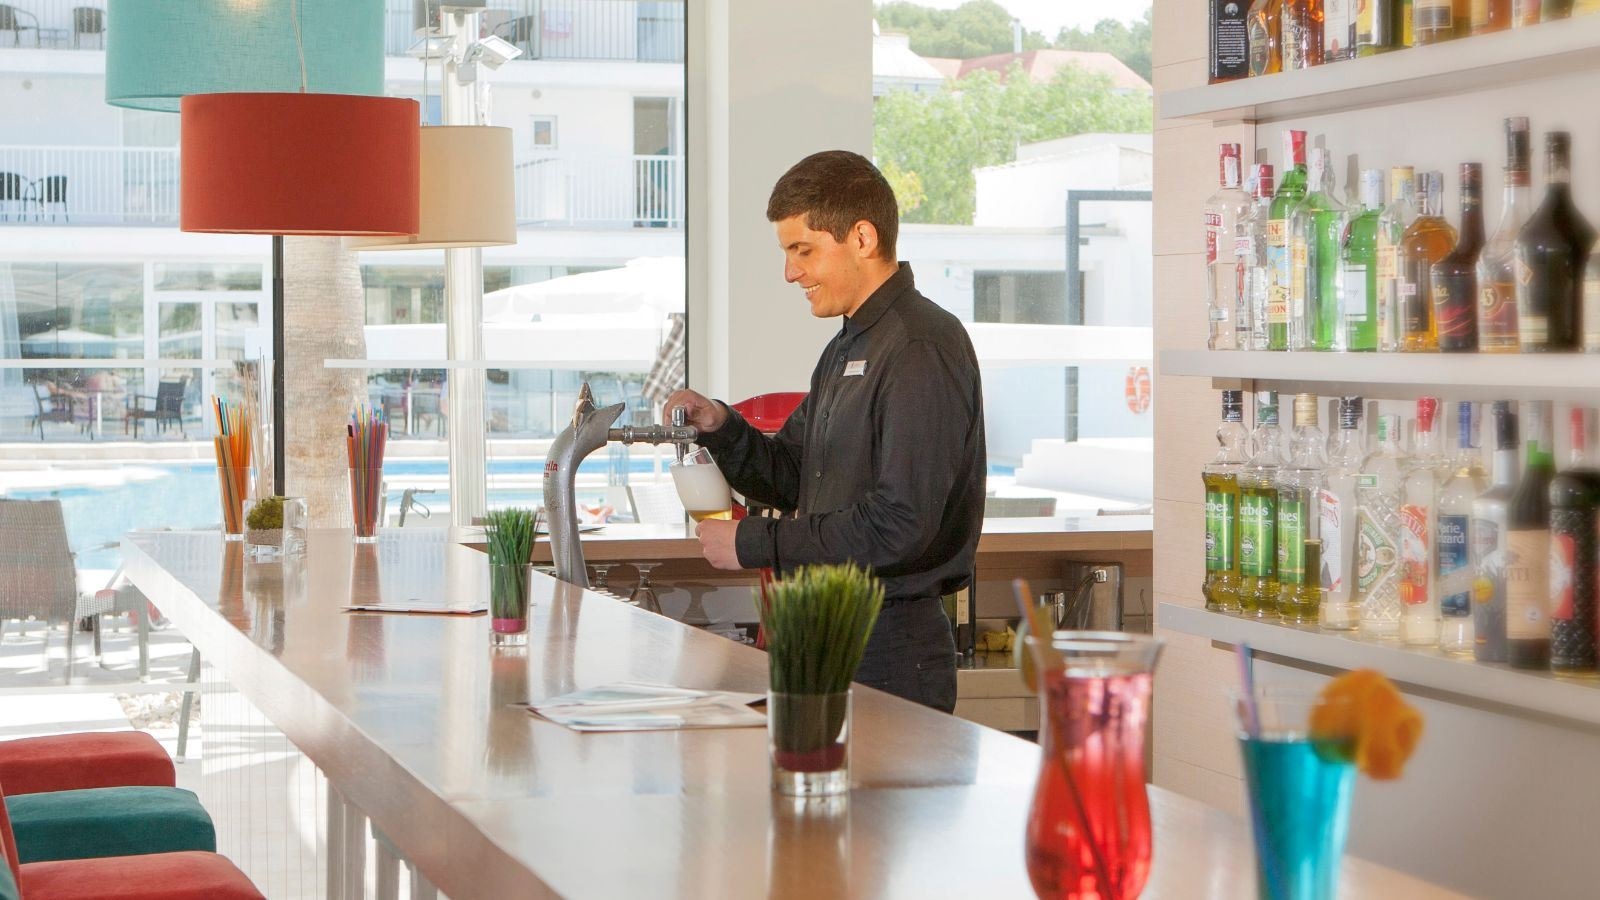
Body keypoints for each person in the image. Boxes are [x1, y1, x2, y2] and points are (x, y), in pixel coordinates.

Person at [664, 150, 985, 712]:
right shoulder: (846, 349)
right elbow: (791, 476)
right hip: (831, 630)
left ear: (861, 237)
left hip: (890, 645)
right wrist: (721, 426)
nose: (791, 272)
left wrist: (753, 543)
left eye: (802, 250)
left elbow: (900, 525)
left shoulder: (919, 346)